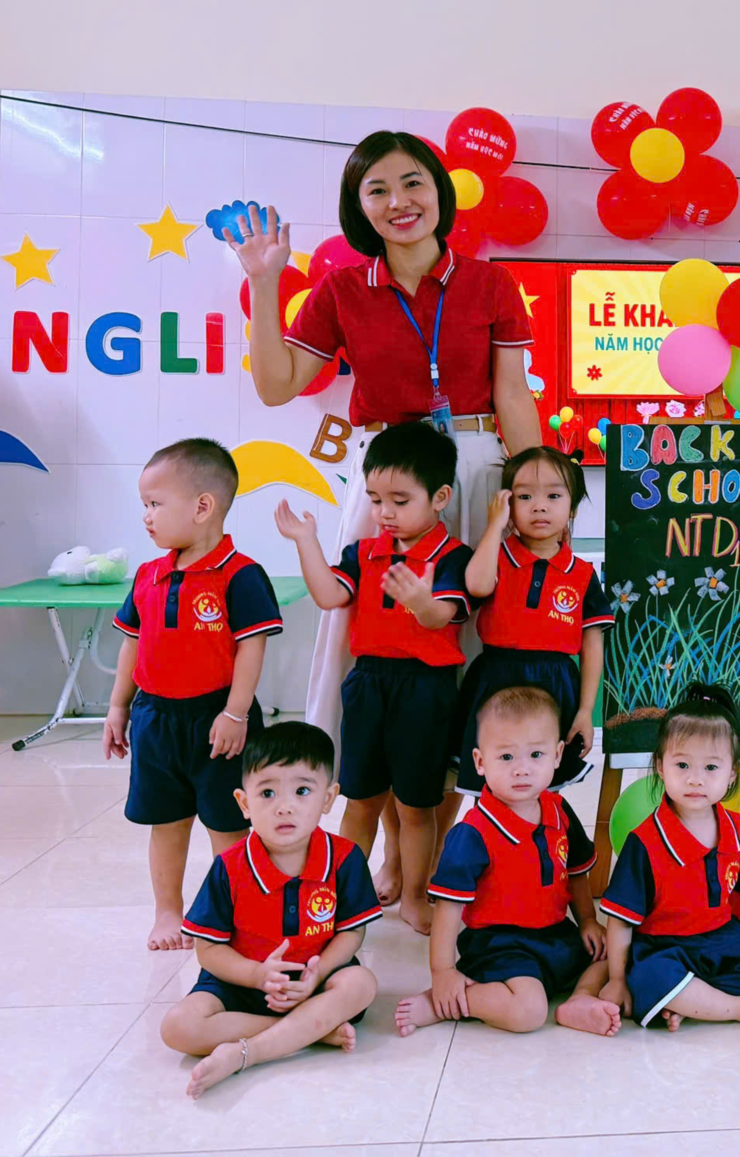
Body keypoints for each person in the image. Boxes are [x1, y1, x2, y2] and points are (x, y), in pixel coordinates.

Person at [226, 130, 540, 902]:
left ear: (440, 191)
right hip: (386, 478)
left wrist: (535, 493)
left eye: (413, 183)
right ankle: (393, 853)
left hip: (473, 468)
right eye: (377, 190)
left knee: (467, 646)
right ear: (357, 206)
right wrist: (265, 283)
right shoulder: (340, 290)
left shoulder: (490, 282)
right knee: (369, 645)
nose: (398, 202)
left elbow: (512, 393)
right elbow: (275, 384)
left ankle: (440, 858)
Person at [276, 421, 473, 934]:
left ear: (440, 497)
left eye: (399, 500)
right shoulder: (362, 553)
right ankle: (340, 896)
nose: (385, 512)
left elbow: (443, 615)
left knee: (416, 806)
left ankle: (415, 894)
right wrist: (306, 542)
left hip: (425, 690)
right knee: (360, 800)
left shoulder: (453, 557)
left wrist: (420, 600)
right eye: (376, 499)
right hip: (368, 685)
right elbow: (329, 596)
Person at [103, 439, 283, 952]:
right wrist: (118, 707)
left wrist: (236, 712)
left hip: (218, 719)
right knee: (166, 822)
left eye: (155, 504)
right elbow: (132, 644)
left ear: (203, 506)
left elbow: (251, 647)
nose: (146, 516)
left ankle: (237, 913)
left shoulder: (241, 574)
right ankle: (168, 912)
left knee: (228, 826)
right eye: (144, 505)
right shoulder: (149, 575)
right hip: (156, 719)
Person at [163, 723, 381, 1098]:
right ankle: (311, 1030)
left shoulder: (344, 858)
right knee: (177, 1027)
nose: (284, 806)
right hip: (242, 983)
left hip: (316, 980)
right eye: (267, 793)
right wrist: (256, 975)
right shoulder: (229, 867)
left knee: (362, 984)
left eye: (302, 791)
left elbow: (351, 932)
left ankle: (249, 1052)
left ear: (328, 798)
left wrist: (318, 973)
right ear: (244, 803)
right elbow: (209, 949)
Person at [395, 685, 618, 1039]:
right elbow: (449, 909)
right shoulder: (474, 833)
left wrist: (588, 921)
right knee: (528, 1012)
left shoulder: (559, 812)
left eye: (536, 754)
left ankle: (579, 999)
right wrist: (443, 972)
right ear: (480, 762)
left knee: (615, 955)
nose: (522, 770)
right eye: (506, 757)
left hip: (554, 933)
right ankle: (447, 1003)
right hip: (500, 943)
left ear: (557, 755)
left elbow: (575, 873)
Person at [597, 683, 740, 1032]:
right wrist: (617, 980)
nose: (695, 779)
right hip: (666, 948)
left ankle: (692, 999)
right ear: (660, 766)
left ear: (732, 773)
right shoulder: (644, 843)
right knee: (650, 976)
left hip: (723, 939)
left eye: (711, 767)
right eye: (682, 764)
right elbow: (620, 921)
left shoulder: (736, 828)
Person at [457, 445, 610, 794]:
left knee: (544, 786)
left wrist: (586, 711)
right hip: (494, 679)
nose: (539, 506)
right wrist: (495, 526)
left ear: (572, 507)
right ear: (508, 504)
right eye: (525, 496)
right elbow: (476, 585)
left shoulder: (582, 574)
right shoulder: (496, 556)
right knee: (492, 782)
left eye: (553, 496)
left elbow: (592, 644)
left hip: (556, 684)